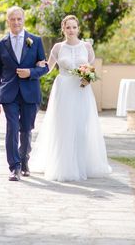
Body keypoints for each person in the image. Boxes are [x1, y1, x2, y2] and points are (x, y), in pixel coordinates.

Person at [29, 15, 111, 181]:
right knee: (64, 127)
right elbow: (48, 68)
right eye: (68, 27)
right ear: (63, 29)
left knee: (81, 127)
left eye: (74, 27)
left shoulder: (86, 46)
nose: (71, 30)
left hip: (81, 92)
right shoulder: (58, 48)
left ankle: (82, 165)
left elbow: (91, 69)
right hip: (63, 91)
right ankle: (64, 166)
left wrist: (87, 78)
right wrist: (34, 67)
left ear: (78, 28)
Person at [0, 6, 48, 181]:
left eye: (19, 19)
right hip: (9, 94)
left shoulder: (35, 41)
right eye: (12, 19)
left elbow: (45, 67)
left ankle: (24, 160)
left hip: (30, 92)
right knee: (12, 128)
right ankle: (14, 167)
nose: (16, 22)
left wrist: (31, 72)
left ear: (23, 20)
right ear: (7, 21)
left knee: (26, 129)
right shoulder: (0, 44)